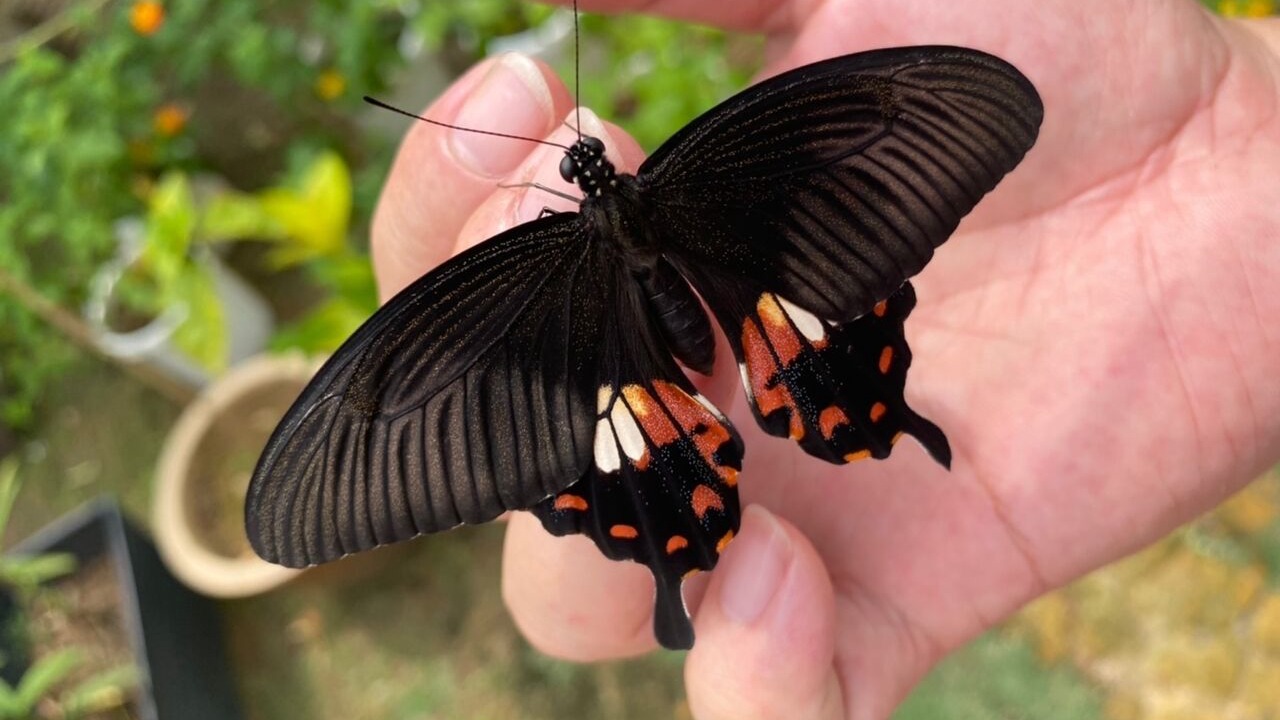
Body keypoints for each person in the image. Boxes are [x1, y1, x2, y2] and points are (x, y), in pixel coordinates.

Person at [370, 2, 1280, 718]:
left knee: (618, 447)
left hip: (667, 390)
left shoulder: (546, 248)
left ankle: (702, 513)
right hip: (761, 322)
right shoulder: (700, 169)